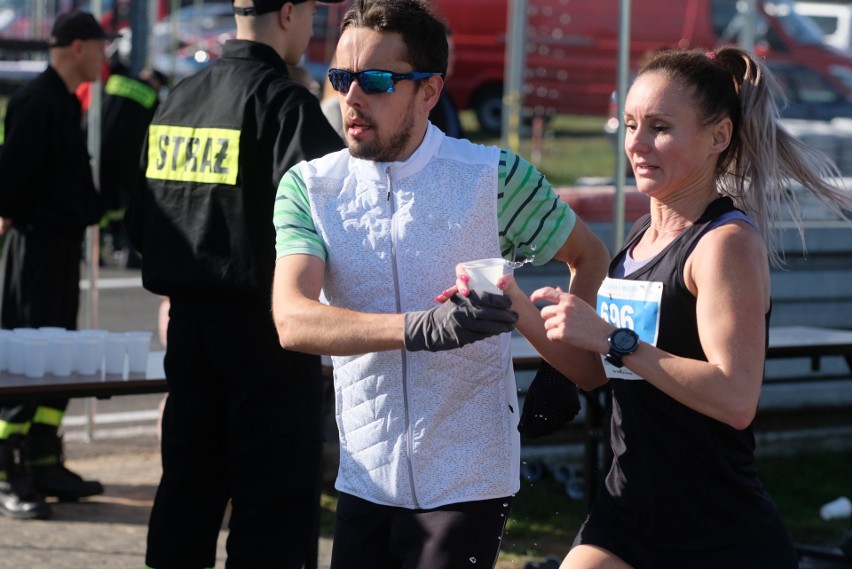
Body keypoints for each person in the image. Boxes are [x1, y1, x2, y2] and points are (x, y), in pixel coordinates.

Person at [270, 1, 610, 567]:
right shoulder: (309, 187)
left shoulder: (494, 176)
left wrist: (559, 363)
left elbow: (590, 255)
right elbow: (291, 319)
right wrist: (419, 329)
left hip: (468, 474)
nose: (351, 97)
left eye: (375, 80)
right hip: (365, 473)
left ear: (429, 92)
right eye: (340, 78)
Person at [510, 47, 852, 568]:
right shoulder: (642, 236)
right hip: (627, 515)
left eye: (660, 127)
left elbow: (736, 397)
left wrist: (613, 339)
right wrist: (515, 307)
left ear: (719, 136)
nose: (637, 144)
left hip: (718, 534)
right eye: (629, 125)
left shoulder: (725, 243)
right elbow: (602, 376)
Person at [124, 0, 346, 566]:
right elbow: (338, 222)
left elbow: (139, 222)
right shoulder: (285, 103)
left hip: (189, 331)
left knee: (187, 491)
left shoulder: (178, 98)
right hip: (265, 336)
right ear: (290, 13)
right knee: (272, 507)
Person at [0, 10, 111, 520]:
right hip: (35, 251)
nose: (105, 58)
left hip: (60, 248)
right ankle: (6, 469)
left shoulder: (62, 101)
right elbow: (11, 182)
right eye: (101, 47)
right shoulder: (35, 103)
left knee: (58, 356)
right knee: (25, 360)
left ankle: (43, 459)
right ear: (78, 48)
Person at [100, 66, 167, 268]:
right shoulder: (150, 97)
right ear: (156, 82)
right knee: (130, 203)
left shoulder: (115, 82)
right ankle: (127, 251)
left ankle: (92, 250)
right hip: (127, 157)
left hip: (99, 148)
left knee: (100, 200)